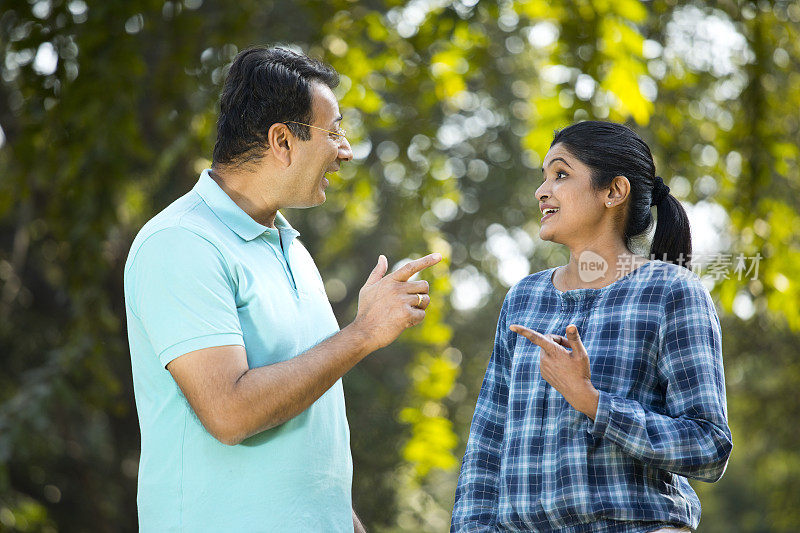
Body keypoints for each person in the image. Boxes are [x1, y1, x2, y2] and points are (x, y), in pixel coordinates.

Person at [124, 46, 441, 532]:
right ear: (282, 140)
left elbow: (305, 436)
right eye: (333, 131)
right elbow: (229, 412)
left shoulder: (289, 245)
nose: (346, 150)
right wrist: (363, 332)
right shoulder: (181, 243)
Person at [451, 121, 732, 532]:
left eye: (561, 175)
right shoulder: (523, 299)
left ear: (614, 192)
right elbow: (487, 446)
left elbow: (709, 446)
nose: (542, 191)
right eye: (543, 177)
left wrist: (594, 403)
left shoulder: (670, 291)